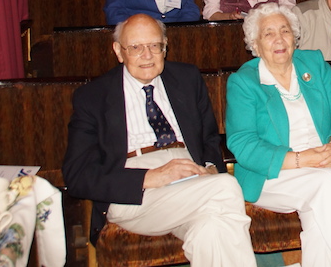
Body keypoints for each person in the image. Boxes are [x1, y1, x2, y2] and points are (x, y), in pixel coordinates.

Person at [62, 14, 257, 267]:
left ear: (165, 47)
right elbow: (77, 175)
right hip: (135, 191)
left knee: (212, 229)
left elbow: (209, 138)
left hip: (192, 179)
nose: (147, 55)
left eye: (154, 46)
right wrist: (150, 177)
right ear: (118, 51)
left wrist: (210, 168)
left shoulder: (187, 78)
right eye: (136, 47)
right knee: (226, 187)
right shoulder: (93, 96)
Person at [226, 4, 331, 267]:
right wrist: (301, 159)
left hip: (321, 166)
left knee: (320, 216)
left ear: (294, 37)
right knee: (327, 184)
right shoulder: (244, 82)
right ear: (255, 44)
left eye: (285, 31)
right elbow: (243, 144)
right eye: (268, 33)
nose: (279, 39)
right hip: (270, 175)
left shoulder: (314, 64)